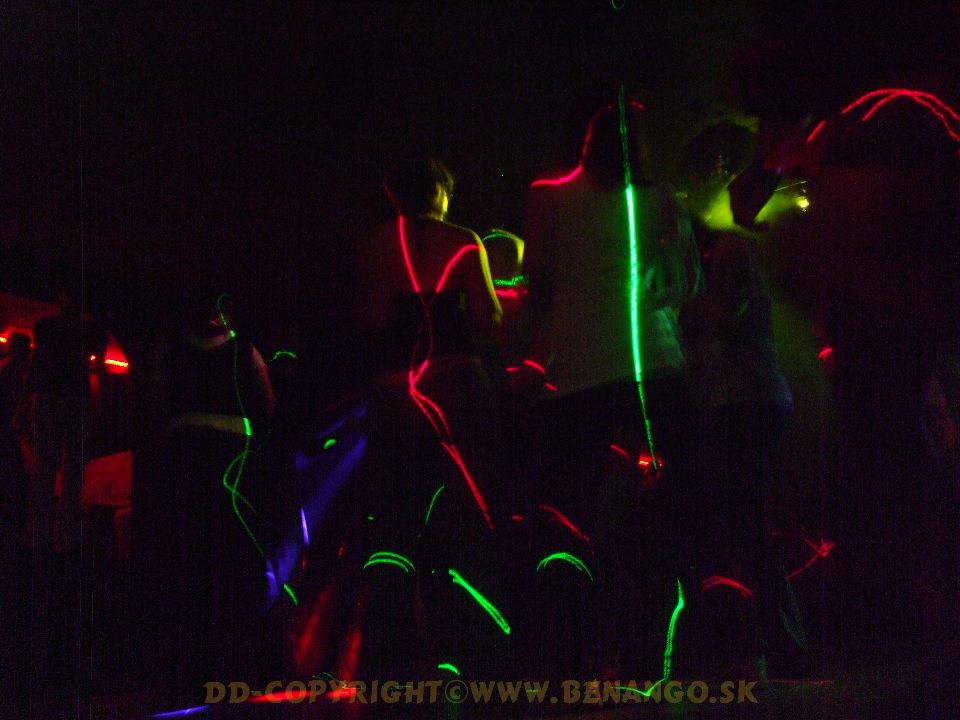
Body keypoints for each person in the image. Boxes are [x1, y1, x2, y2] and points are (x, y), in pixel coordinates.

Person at [522, 95, 701, 678]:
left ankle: (571, 658)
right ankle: (664, 655)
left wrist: (536, 354)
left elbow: (536, 281)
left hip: (580, 371)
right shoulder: (660, 199)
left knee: (572, 514)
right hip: (655, 364)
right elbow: (683, 285)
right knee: (669, 511)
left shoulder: (548, 196)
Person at [352, 157, 502, 678]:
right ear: (439, 191)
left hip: (395, 391)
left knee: (396, 516)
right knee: (466, 513)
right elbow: (488, 318)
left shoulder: (373, 244)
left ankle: (391, 652)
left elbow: (372, 320)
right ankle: (468, 647)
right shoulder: (463, 239)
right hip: (457, 385)